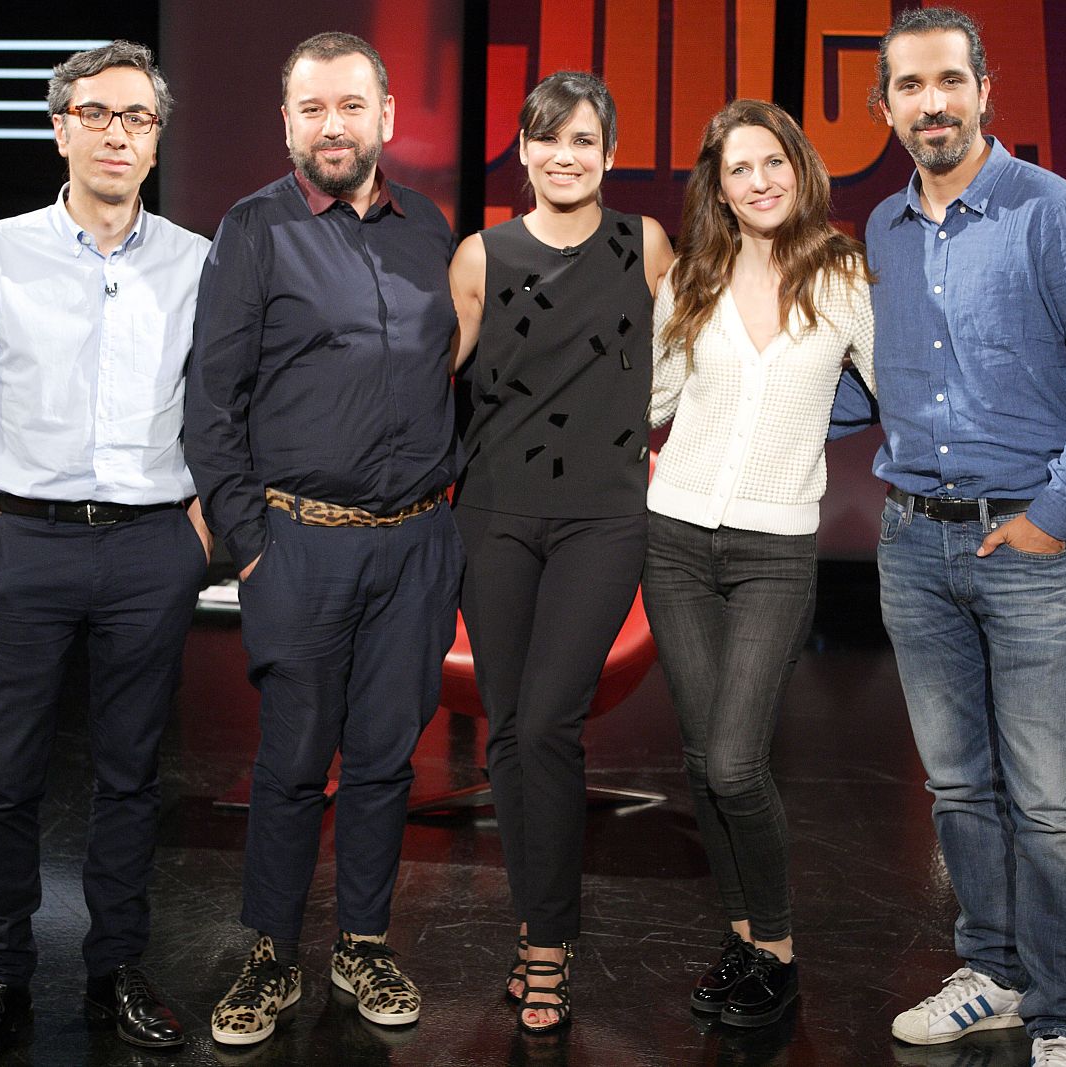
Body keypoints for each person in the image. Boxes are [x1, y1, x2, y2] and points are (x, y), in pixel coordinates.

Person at [850, 9, 1066, 1066]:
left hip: (1027, 547)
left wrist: (1051, 519)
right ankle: (993, 970)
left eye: (949, 80)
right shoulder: (883, 230)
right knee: (956, 787)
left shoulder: (1054, 214)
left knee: (1050, 801)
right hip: (912, 545)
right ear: (884, 106)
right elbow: (875, 388)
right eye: (910, 85)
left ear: (985, 90)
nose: (931, 102)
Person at [0, 40, 210, 1066]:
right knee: (6, 779)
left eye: (137, 118)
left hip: (149, 549)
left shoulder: (196, 261)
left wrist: (194, 538)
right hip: (24, 543)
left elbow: (222, 412)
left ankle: (115, 968)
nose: (117, 134)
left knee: (131, 776)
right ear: (60, 128)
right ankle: (0, 974)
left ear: (156, 140)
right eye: (96, 113)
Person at [183, 31, 462, 1045]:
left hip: (416, 548)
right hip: (299, 546)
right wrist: (251, 545)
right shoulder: (254, 228)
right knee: (296, 759)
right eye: (312, 109)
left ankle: (363, 942)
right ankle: (269, 956)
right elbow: (212, 403)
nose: (332, 126)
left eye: (350, 105)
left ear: (385, 115)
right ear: (287, 123)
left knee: (386, 759)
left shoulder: (430, 229)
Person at [447, 70, 673, 1034]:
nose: (565, 155)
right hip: (494, 510)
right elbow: (430, 378)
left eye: (584, 139)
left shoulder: (645, 244)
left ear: (610, 153)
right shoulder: (480, 256)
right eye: (548, 138)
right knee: (507, 728)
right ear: (523, 150)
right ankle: (538, 927)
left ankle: (548, 945)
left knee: (547, 721)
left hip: (603, 517)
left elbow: (696, 362)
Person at [641, 99, 874, 1029]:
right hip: (674, 537)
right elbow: (652, 401)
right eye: (739, 168)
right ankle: (742, 938)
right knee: (704, 759)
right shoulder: (693, 276)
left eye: (772, 161)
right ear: (721, 187)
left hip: (776, 549)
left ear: (799, 167)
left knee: (738, 761)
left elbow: (899, 389)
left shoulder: (841, 273)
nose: (760, 180)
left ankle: (776, 949)